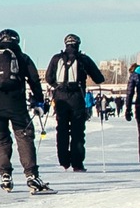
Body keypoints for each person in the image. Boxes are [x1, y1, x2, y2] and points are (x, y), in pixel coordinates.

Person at [0, 29, 51, 193]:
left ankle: (5, 175)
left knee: (1, 140)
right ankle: (31, 176)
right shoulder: (22, 57)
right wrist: (39, 102)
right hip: (16, 105)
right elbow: (34, 80)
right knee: (24, 137)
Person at [44, 34, 106, 171]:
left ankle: (64, 161)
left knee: (62, 129)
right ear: (78, 44)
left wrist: (57, 86)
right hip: (77, 98)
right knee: (78, 131)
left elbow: (48, 77)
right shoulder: (83, 59)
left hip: (60, 98)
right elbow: (98, 78)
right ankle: (77, 163)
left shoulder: (56, 58)